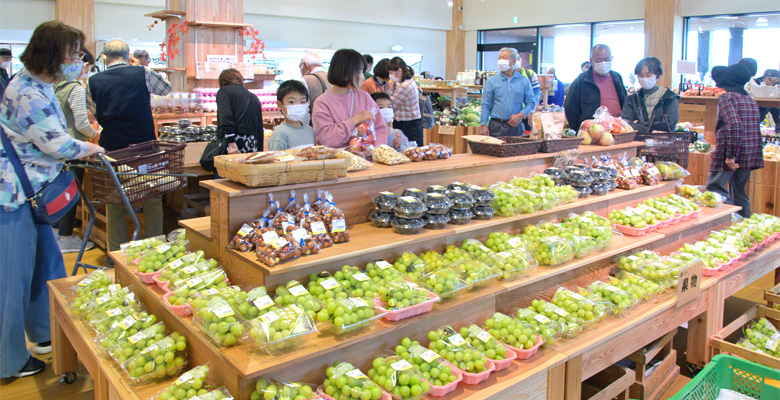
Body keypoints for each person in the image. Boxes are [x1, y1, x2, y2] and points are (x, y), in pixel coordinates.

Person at [0, 20, 104, 379]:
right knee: (11, 280)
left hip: (34, 195)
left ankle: (46, 335)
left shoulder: (40, 84)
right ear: (52, 54)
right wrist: (92, 146)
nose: (79, 60)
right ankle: (7, 361)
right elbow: (57, 144)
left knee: (46, 269)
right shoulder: (27, 92)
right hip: (15, 198)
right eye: (74, 54)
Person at [87, 39, 171, 253]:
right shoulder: (141, 72)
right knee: (152, 197)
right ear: (128, 56)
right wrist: (140, 66)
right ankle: (156, 250)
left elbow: (93, 111)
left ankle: (115, 253)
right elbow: (166, 89)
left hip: (112, 148)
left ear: (104, 58)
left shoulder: (93, 80)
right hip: (145, 147)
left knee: (115, 201)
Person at [54, 49, 100, 253]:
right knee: (72, 193)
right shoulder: (76, 89)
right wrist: (96, 133)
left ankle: (58, 231)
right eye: (87, 65)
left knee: (60, 191)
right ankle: (66, 237)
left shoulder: (57, 86)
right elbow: (82, 124)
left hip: (59, 147)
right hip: (75, 148)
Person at [705, 63, 763, 218]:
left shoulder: (727, 98)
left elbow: (734, 125)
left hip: (731, 152)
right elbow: (751, 127)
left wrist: (730, 154)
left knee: (715, 188)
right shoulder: (749, 99)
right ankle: (745, 224)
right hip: (749, 152)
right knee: (739, 191)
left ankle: (727, 221)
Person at [312, 48, 388, 148]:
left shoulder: (364, 97)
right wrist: (355, 120)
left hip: (366, 161)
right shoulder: (322, 103)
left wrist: (373, 150)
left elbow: (380, 128)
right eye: (360, 71)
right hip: (337, 161)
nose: (363, 76)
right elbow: (327, 139)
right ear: (346, 72)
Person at [564, 44, 627, 132]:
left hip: (618, 130)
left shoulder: (617, 77)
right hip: (592, 134)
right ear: (591, 61)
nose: (603, 63)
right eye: (599, 60)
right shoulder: (582, 80)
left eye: (607, 59)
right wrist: (581, 130)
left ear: (612, 59)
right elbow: (570, 108)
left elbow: (624, 102)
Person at [479, 47, 536, 137]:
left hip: (516, 126)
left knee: (516, 150)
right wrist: (483, 124)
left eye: (504, 58)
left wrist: (520, 115)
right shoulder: (492, 81)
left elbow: (531, 102)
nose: (501, 61)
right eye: (499, 58)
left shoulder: (523, 81)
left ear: (513, 62)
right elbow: (486, 104)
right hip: (497, 126)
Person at [620, 57, 680, 132]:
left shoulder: (669, 97)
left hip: (664, 140)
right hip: (638, 140)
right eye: (641, 75)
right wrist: (651, 130)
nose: (644, 78)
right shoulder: (632, 99)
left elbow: (670, 124)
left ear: (657, 76)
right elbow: (625, 123)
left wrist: (640, 124)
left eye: (648, 75)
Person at [216, 68, 263, 154]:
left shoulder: (224, 92)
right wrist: (260, 151)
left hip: (235, 142)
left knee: (231, 167)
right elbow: (259, 127)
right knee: (247, 167)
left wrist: (231, 142)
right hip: (252, 144)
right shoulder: (253, 97)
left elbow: (226, 116)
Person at [268, 80, 315, 151]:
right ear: (280, 105)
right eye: (292, 102)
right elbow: (276, 160)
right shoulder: (279, 134)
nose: (298, 105)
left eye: (302, 102)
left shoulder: (310, 131)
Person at [386, 57, 423, 145]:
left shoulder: (404, 86)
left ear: (399, 71)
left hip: (407, 125)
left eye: (391, 73)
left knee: (408, 152)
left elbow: (391, 105)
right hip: (411, 124)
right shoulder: (408, 82)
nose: (390, 76)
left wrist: (390, 88)